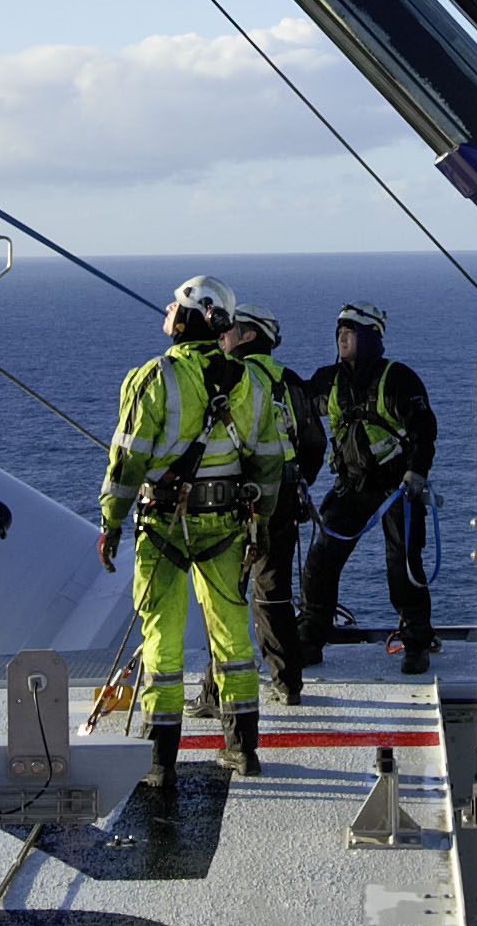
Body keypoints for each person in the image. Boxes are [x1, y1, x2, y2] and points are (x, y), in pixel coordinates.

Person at [100, 274, 293, 783]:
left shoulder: (153, 379)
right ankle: (241, 750)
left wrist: (111, 523)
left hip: (163, 524)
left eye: (174, 306)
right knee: (232, 638)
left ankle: (160, 761)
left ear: (193, 316)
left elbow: (126, 464)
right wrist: (263, 523)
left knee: (162, 640)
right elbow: (269, 461)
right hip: (226, 526)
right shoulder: (249, 382)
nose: (167, 311)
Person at [295, 300, 445, 678]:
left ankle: (415, 643)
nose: (342, 337)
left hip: (398, 491)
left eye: (351, 332)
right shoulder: (329, 381)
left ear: (370, 337)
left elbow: (424, 430)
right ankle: (310, 639)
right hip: (352, 486)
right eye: (340, 332)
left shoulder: (399, 379)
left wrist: (416, 473)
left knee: (404, 564)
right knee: (321, 560)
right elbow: (296, 407)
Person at [220, 304, 321, 706]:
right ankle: (287, 682)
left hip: (237, 500)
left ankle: (217, 692)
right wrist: (296, 482)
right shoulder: (289, 380)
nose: (221, 336)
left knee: (226, 596)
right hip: (284, 497)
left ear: (248, 335)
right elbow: (314, 443)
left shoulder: (233, 378)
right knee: (273, 592)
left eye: (229, 330)